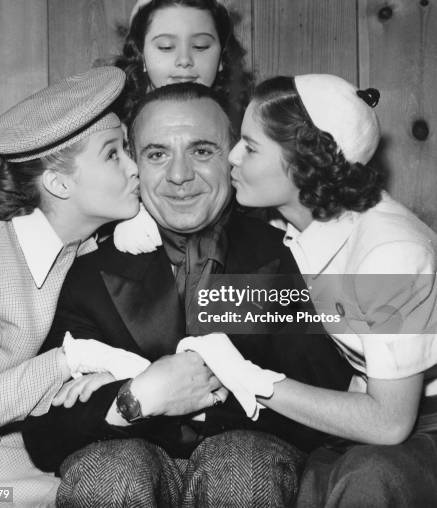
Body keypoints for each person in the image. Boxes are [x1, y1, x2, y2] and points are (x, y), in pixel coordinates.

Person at [23, 83, 353, 507]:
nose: (179, 175)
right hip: (126, 456)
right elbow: (44, 434)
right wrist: (133, 400)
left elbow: (333, 404)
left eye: (201, 151)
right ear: (133, 164)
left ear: (233, 158)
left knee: (241, 464)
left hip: (252, 461)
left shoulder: (289, 254)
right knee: (110, 472)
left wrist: (198, 394)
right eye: (157, 154)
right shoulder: (87, 266)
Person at [182, 73, 437, 506]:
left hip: (416, 427)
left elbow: (390, 423)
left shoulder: (390, 254)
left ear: (304, 163)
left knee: (365, 484)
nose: (233, 157)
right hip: (368, 415)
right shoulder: (295, 218)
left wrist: (251, 379)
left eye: (251, 146)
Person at [0, 67, 141, 506]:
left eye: (128, 149)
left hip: (55, 472)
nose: (135, 168)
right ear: (58, 183)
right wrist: (75, 358)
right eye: (113, 154)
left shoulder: (90, 250)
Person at [113, 0, 253, 128]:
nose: (184, 60)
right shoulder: (116, 135)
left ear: (221, 58)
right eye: (166, 47)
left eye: (201, 46)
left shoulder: (248, 131)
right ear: (141, 55)